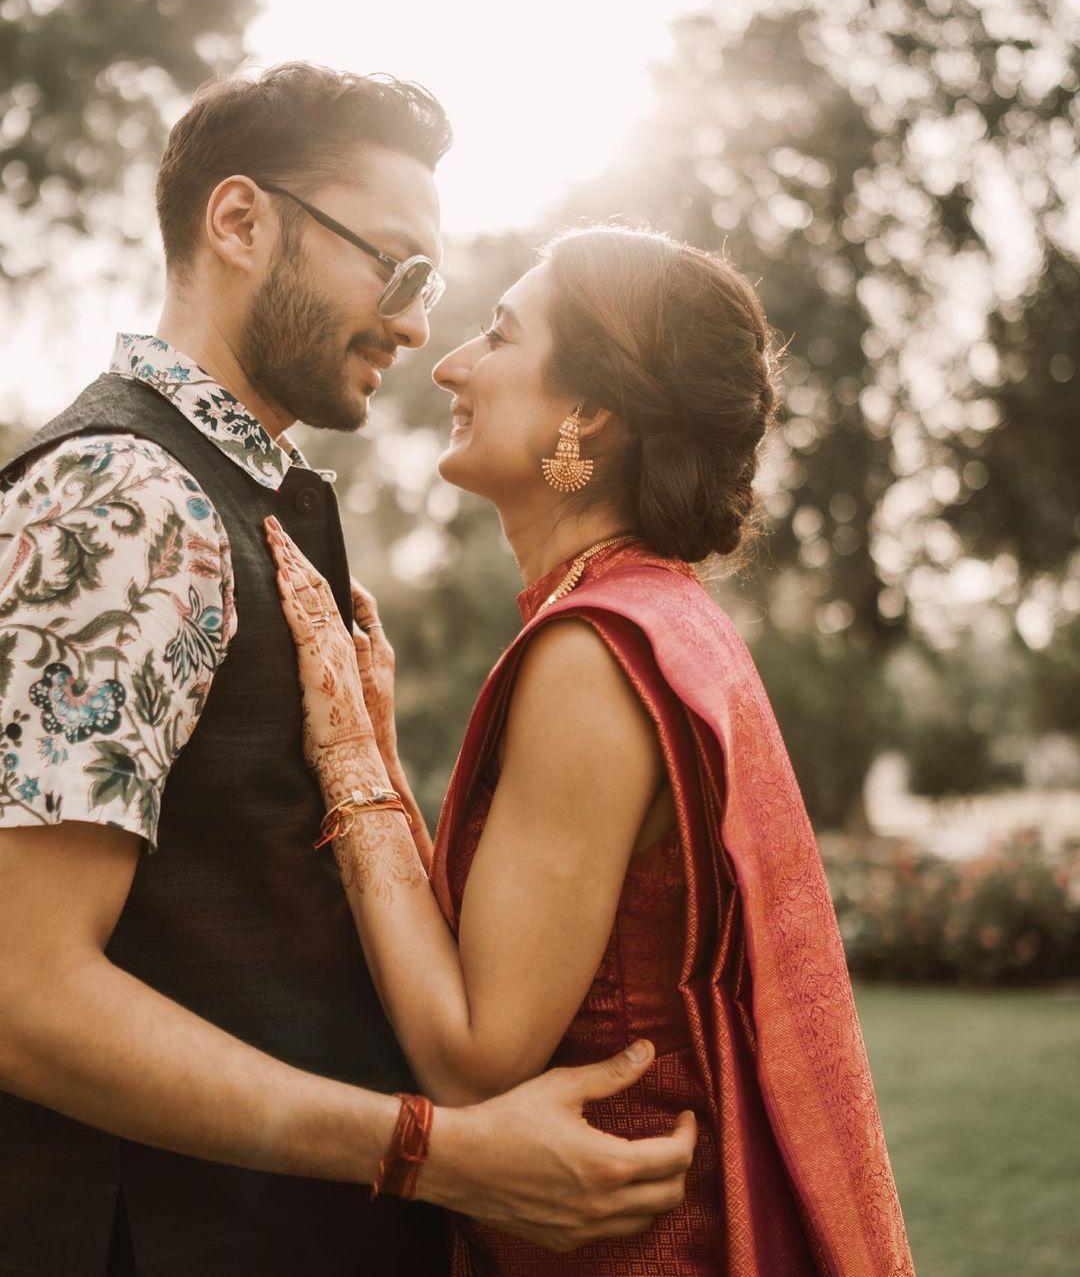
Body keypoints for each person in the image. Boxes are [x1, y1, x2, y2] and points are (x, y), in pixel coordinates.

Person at [0, 66, 697, 1276]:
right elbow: (19, 981)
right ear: (239, 222)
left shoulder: (242, 495)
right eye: (399, 266)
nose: (419, 322)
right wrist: (433, 1150)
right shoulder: (125, 496)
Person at [266, 226, 917, 1274]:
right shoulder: (657, 614)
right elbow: (506, 961)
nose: (450, 362)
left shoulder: (592, 653)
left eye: (499, 332)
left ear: (589, 410)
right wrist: (385, 751)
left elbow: (473, 1054)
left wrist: (342, 753)